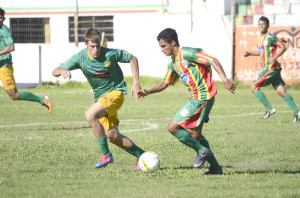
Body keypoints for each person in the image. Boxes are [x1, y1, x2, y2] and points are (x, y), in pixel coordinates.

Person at [137, 28, 236, 174]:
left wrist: (225, 79)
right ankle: (215, 167)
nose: (162, 50)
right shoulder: (173, 63)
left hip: (203, 98)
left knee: (173, 127)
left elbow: (212, 60)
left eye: (164, 46)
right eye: (160, 47)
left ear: (173, 42)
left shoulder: (188, 53)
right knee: (195, 135)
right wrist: (148, 91)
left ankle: (202, 152)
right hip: (194, 100)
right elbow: (165, 83)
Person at [52, 28, 145, 170]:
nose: (96, 49)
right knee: (112, 136)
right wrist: (62, 71)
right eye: (92, 46)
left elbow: (133, 58)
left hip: (116, 93)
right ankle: (143, 157)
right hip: (100, 99)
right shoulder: (80, 58)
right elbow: (55, 70)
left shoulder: (110, 54)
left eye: (98, 46)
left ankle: (105, 155)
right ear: (86, 44)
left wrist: (136, 83)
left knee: (90, 115)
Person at [244, 16, 299, 122]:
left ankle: (270, 109)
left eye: (263, 24)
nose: (261, 26)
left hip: (271, 68)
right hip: (272, 68)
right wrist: (250, 53)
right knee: (281, 91)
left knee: (254, 87)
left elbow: (283, 46)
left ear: (268, 26)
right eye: (259, 24)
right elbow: (261, 52)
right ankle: (297, 112)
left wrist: (274, 57)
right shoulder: (260, 38)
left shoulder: (270, 37)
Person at [0, 7, 52, 113]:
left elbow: (11, 47)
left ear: (4, 19)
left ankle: (42, 100)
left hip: (4, 66)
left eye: (0, 18)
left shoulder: (4, 30)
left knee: (14, 95)